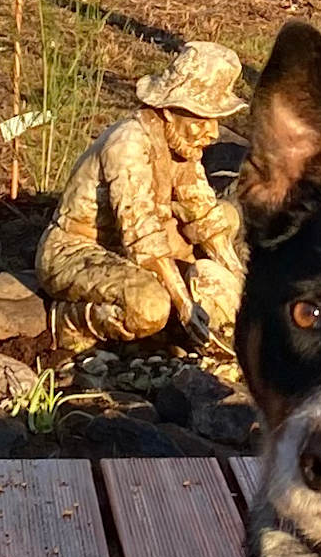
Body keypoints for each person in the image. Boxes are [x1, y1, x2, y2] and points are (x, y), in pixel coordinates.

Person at [39, 40, 248, 357]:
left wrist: (247, 293)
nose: (214, 133)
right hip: (80, 249)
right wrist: (184, 304)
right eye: (202, 120)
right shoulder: (128, 144)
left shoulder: (181, 145)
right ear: (168, 111)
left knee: (227, 217)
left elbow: (202, 213)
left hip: (139, 242)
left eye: (216, 120)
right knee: (150, 307)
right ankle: (68, 321)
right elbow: (142, 236)